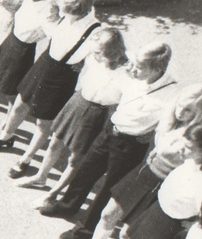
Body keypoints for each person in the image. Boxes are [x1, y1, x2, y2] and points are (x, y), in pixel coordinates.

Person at [65, 82, 202, 239]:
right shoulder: (170, 118)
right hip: (145, 172)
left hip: (162, 185)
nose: (181, 111)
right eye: (181, 105)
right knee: (108, 214)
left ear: (200, 112)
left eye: (189, 110)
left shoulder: (199, 133)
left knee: (127, 233)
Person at [40, 40, 175, 228]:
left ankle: (86, 227)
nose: (133, 70)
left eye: (139, 68)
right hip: (110, 131)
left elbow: (167, 127)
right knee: (85, 171)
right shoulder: (133, 74)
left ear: (157, 69)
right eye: (134, 64)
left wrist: (156, 144)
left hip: (131, 143)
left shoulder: (171, 94)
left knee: (108, 187)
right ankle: (66, 206)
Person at [0, 0, 99, 157]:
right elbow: (54, 3)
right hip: (45, 63)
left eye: (63, 5)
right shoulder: (65, 9)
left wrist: (83, 63)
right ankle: (5, 137)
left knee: (43, 122)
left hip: (64, 75)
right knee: (20, 104)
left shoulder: (95, 30)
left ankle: (26, 158)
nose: (59, 5)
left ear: (74, 9)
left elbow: (96, 58)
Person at [18, 26, 128, 191]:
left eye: (99, 52)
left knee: (76, 156)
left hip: (100, 111)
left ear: (112, 52)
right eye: (93, 51)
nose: (94, 55)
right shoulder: (92, 58)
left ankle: (55, 192)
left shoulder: (126, 71)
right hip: (78, 101)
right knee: (55, 142)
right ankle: (40, 177)